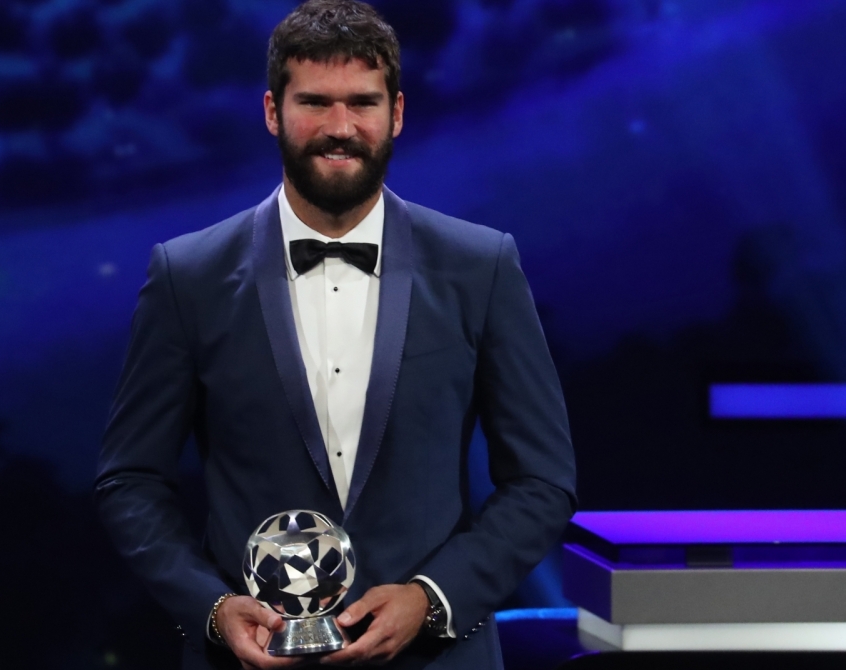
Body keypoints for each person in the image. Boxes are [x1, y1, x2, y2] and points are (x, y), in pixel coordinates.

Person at [95, 1, 576, 668]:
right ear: (272, 112)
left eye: (363, 103)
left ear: (397, 114)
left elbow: (543, 480)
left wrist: (432, 597)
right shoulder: (188, 275)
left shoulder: (480, 265)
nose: (341, 127)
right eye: (315, 102)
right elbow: (131, 480)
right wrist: (209, 607)